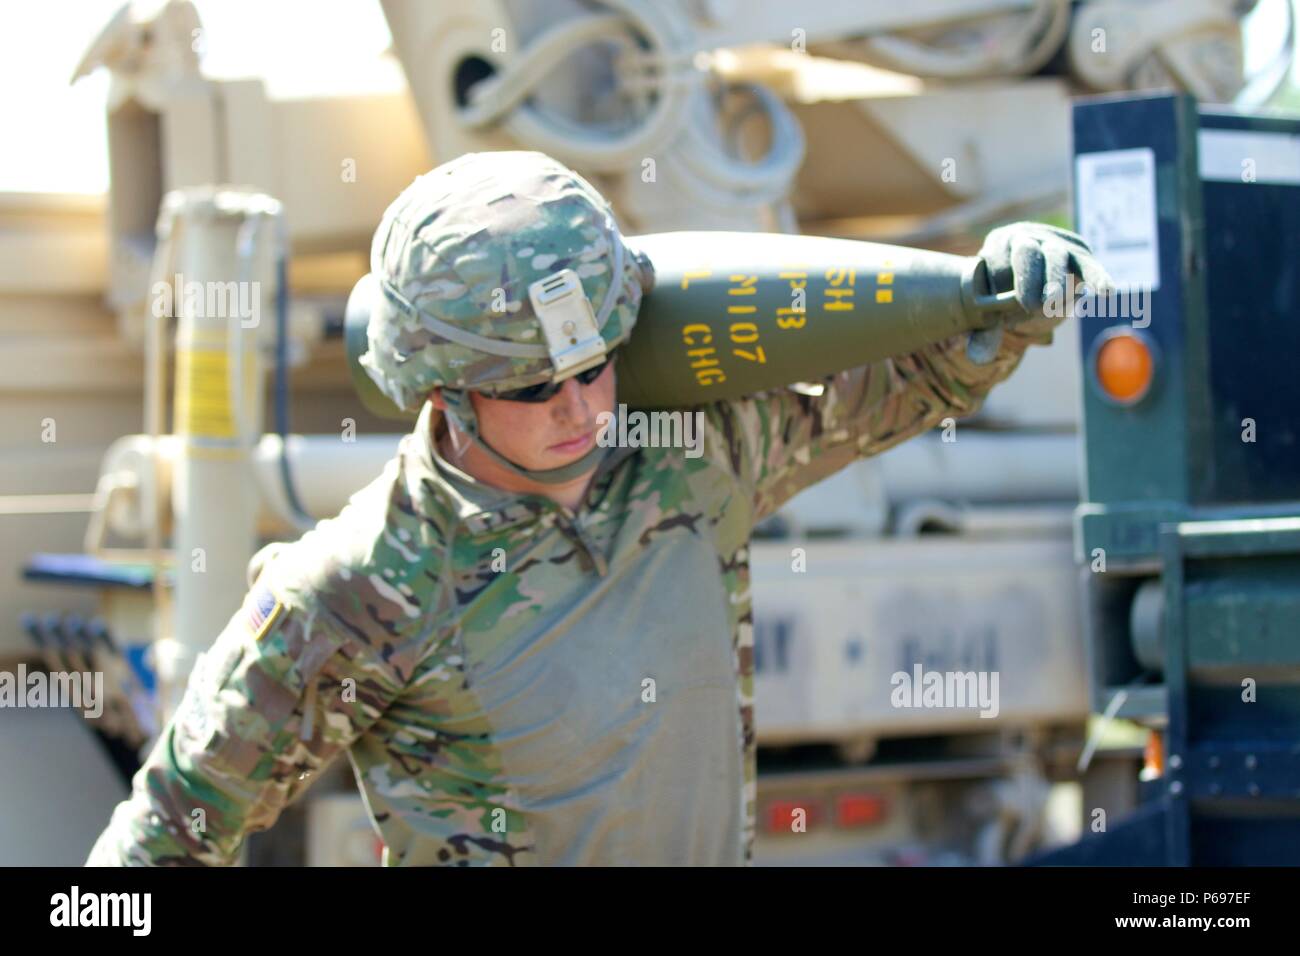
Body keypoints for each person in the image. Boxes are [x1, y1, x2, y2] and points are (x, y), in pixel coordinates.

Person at [87, 150, 1112, 866]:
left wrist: (998, 301)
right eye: (534, 386)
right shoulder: (361, 588)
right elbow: (169, 830)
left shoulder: (695, 460)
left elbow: (906, 384)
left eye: (595, 364)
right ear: (444, 391)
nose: (581, 406)